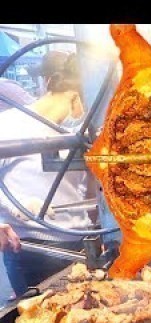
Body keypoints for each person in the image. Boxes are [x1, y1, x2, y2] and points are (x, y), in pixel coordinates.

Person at [0, 51, 92, 297]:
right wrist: (13, 206)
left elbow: (80, 190)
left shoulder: (74, 134)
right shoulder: (10, 125)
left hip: (78, 244)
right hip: (32, 250)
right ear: (74, 95)